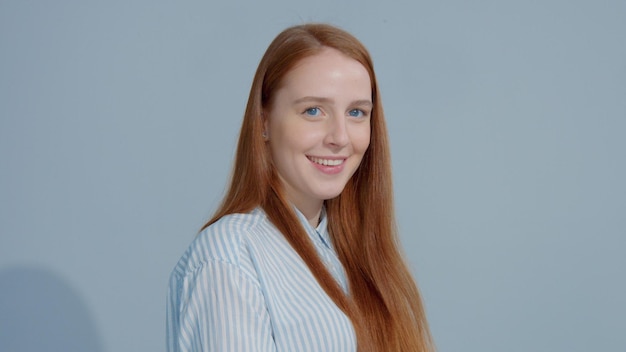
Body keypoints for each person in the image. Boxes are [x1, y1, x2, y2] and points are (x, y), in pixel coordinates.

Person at [166, 23, 434, 352]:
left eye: (356, 112)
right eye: (312, 110)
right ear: (263, 122)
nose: (340, 137)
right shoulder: (230, 255)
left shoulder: (355, 252)